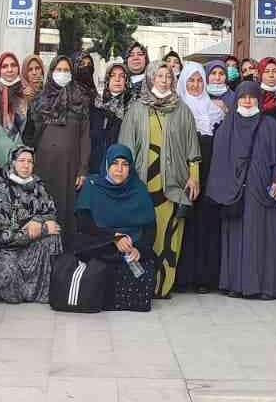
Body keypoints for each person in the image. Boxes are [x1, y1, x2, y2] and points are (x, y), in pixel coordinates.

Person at [119, 61, 201, 298]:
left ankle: (164, 287)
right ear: (151, 78)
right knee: (145, 235)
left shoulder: (182, 109)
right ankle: (144, 283)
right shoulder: (136, 109)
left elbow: (192, 148)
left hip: (174, 184)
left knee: (170, 235)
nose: (165, 80)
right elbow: (125, 147)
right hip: (143, 184)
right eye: (160, 75)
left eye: (168, 76)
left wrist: (194, 176)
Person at [209, 82, 276, 299]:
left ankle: (265, 287)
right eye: (243, 96)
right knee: (237, 238)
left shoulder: (269, 124)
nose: (246, 100)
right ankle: (237, 284)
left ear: (258, 100)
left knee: (264, 238)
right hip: (236, 193)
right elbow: (219, 161)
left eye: (251, 97)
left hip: (263, 191)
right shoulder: (228, 126)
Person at [75, 145, 158, 312]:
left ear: (130, 168)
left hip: (130, 247)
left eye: (125, 164)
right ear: (106, 165)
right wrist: (113, 237)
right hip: (100, 245)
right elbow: (84, 223)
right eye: (115, 163)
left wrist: (139, 250)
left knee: (143, 274)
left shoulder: (138, 189)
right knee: (100, 271)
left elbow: (150, 228)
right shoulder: (92, 185)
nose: (119, 169)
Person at [0, 146, 63, 304]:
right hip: (2, 250)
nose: (26, 165)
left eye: (30, 162)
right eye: (21, 161)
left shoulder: (37, 185)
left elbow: (51, 212)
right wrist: (43, 229)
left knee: (53, 237)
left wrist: (37, 222)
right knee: (10, 282)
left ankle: (42, 292)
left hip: (27, 248)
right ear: (12, 163)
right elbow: (5, 237)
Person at [174, 62, 226, 294]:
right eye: (191, 81)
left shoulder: (216, 109)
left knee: (207, 222)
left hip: (211, 172)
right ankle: (185, 277)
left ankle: (206, 277)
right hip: (185, 172)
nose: (195, 86)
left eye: (199, 81)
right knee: (186, 223)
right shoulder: (177, 108)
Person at [25, 55, 92, 233]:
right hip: (43, 165)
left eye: (66, 70)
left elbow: (85, 136)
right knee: (42, 209)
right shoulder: (39, 99)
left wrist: (83, 169)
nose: (62, 74)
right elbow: (30, 136)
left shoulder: (80, 100)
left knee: (64, 211)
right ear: (52, 72)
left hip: (70, 167)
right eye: (59, 70)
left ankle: (64, 256)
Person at [90, 63, 134, 172]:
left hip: (121, 166)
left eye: (122, 76)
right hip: (96, 165)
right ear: (107, 80)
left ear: (126, 81)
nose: (117, 79)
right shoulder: (96, 104)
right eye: (113, 75)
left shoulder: (133, 106)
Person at [0, 52, 29, 167]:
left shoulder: (26, 93)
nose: (10, 70)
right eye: (4, 66)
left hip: (22, 159)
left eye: (13, 65)